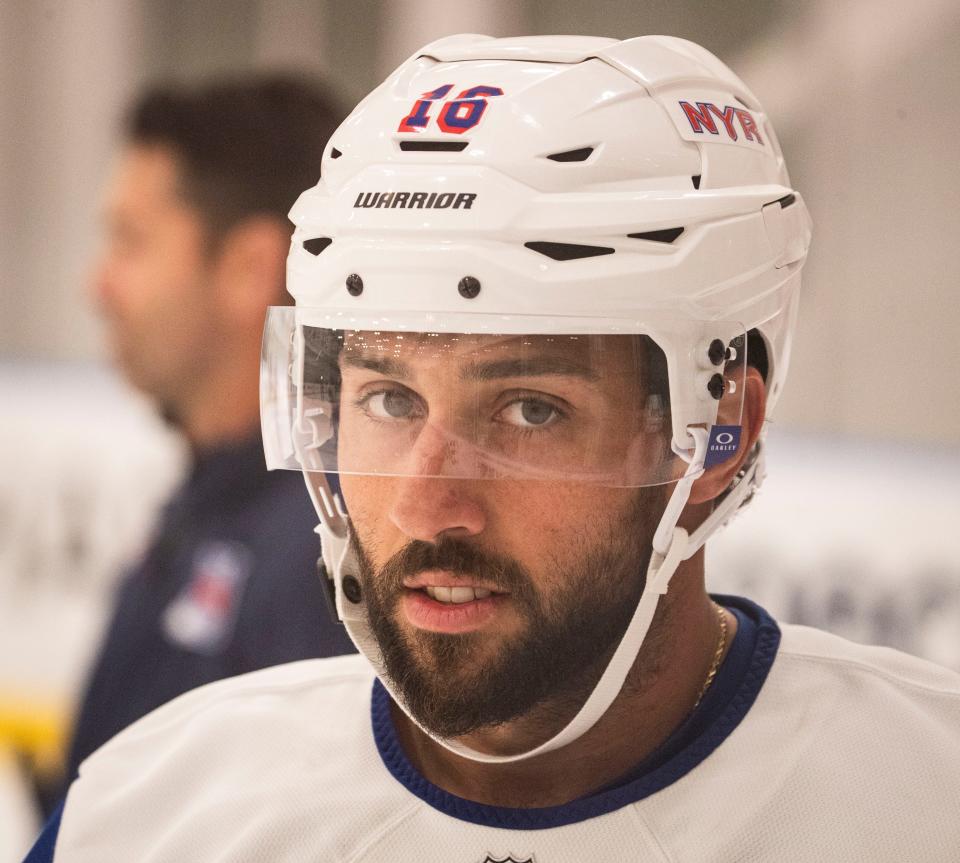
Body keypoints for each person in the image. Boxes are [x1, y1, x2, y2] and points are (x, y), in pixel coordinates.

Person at [29, 35, 960, 862]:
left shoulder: (925, 801)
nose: (425, 503)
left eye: (531, 411)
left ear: (719, 435)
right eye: (390, 397)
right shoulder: (153, 812)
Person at [59, 76, 356, 791]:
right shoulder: (207, 507)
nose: (98, 286)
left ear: (249, 266)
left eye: (131, 242)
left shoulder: (329, 550)